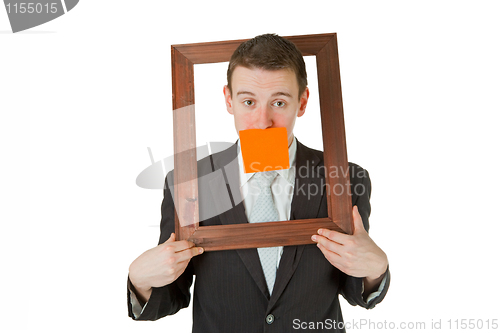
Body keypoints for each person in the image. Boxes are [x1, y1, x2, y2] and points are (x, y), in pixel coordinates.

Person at [128, 34, 390, 332]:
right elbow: (171, 293)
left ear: (302, 102)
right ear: (229, 100)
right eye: (248, 101)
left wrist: (375, 271)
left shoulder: (347, 178)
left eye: (278, 102)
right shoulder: (190, 182)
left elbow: (356, 286)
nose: (263, 121)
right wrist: (140, 280)